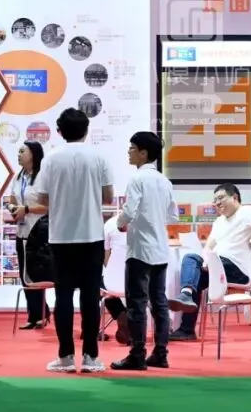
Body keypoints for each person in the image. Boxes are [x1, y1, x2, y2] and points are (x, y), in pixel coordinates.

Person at [34, 108, 115, 374]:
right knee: (90, 297)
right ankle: (91, 357)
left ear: (59, 132)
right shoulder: (99, 157)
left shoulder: (51, 159)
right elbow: (108, 197)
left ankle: (66, 357)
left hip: (61, 237)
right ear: (86, 130)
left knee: (63, 297)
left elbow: (42, 199)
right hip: (91, 235)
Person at [169, 183, 251, 341]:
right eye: (215, 200)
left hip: (237, 270)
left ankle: (185, 295)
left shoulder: (245, 211)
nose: (217, 202)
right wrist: (206, 261)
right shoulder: (218, 222)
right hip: (219, 267)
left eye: (221, 198)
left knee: (191, 258)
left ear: (235, 197)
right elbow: (208, 247)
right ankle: (187, 328)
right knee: (193, 277)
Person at [111, 131, 177, 371]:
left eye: (132, 148)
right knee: (159, 303)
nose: (128, 152)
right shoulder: (165, 181)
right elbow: (172, 216)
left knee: (137, 303)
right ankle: (160, 353)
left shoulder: (137, 179)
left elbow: (128, 211)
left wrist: (120, 224)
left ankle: (137, 354)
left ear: (143, 153)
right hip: (160, 249)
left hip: (140, 249)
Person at [8, 141, 49, 329]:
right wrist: (13, 209)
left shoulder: (43, 177)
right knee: (24, 275)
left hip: (39, 233)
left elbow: (48, 206)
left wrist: (27, 209)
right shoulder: (18, 177)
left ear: (33, 154)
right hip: (22, 232)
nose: (18, 154)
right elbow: (12, 199)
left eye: (22, 151)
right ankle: (34, 315)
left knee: (38, 274)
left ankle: (41, 314)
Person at [101, 213, 130, 344]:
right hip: (138, 282)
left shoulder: (110, 224)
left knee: (100, 287)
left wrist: (113, 272)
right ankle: (133, 318)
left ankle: (120, 313)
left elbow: (105, 255)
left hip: (112, 283)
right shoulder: (147, 223)